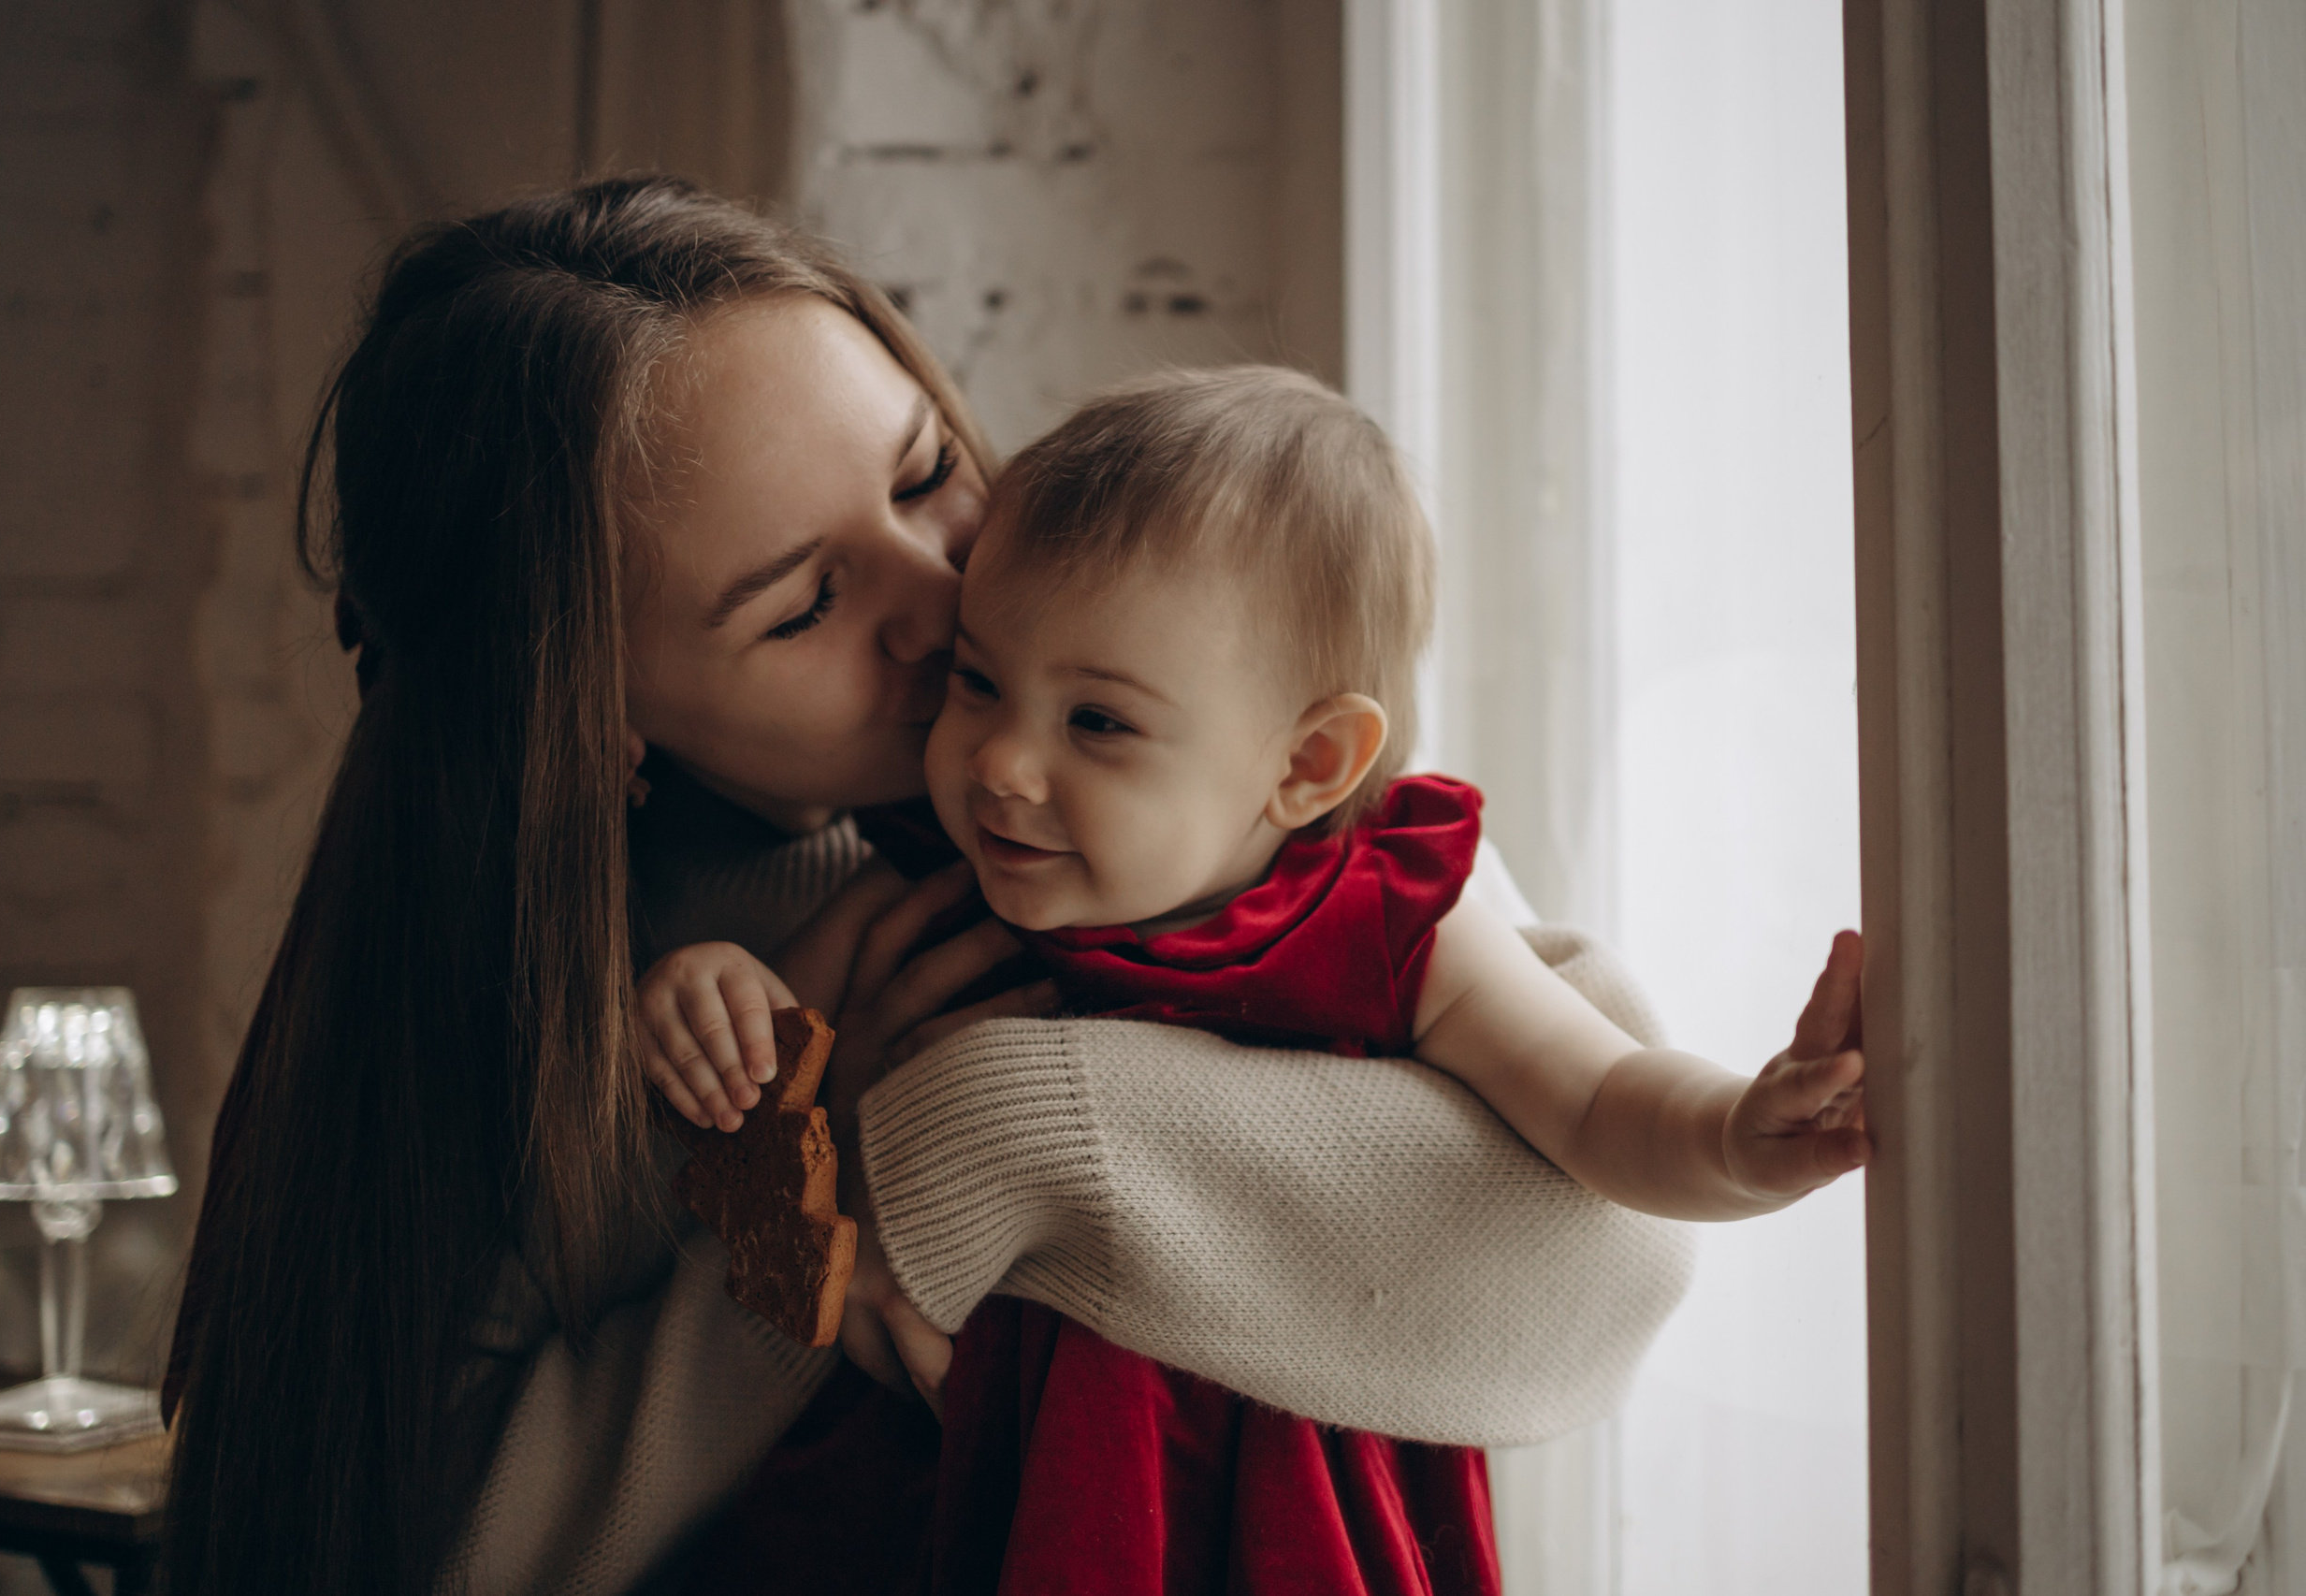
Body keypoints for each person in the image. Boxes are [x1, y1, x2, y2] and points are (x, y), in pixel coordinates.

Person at [159, 178, 1700, 1596]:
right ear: (595, 711)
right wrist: (794, 1191)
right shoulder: (560, 988)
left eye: (925, 475)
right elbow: (418, 1538)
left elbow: (1608, 1255)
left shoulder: (1207, 772)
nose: (943, 596)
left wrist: (976, 1138)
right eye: (808, 602)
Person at [636, 367, 1869, 1594]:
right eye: (980, 681)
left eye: (1100, 724)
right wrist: (712, 997)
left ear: (1308, 762)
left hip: (1272, 1511)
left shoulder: (1385, 924)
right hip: (949, 1501)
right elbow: (745, 1204)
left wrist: (1739, 1136)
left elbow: (1598, 1105)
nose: (1003, 762)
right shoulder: (916, 898)